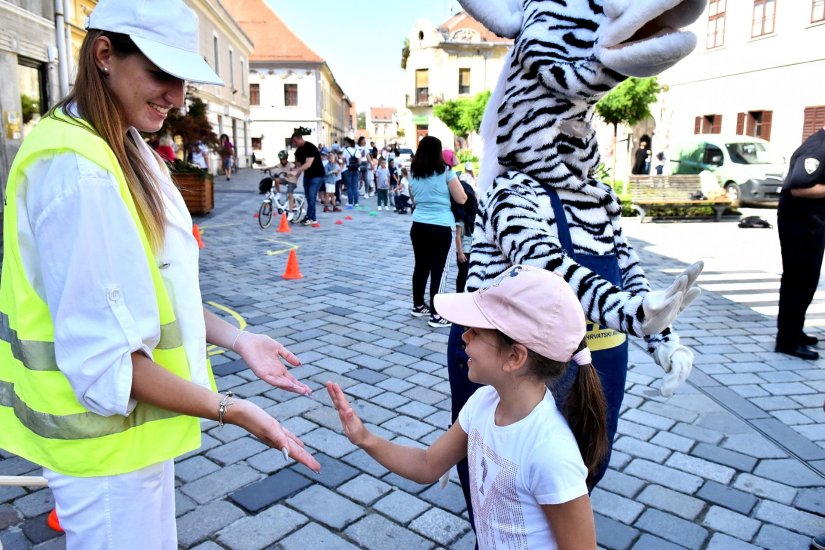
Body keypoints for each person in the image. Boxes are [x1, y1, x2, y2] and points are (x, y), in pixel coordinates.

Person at [0, 1, 320, 548]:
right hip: (102, 452)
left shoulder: (120, 145)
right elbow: (109, 368)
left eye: (182, 79)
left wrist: (238, 338)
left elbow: (156, 290)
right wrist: (233, 410)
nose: (175, 96)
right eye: (159, 73)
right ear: (104, 54)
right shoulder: (82, 169)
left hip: (125, 445)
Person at [327, 265, 607, 550]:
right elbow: (427, 464)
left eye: (475, 332)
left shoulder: (550, 452)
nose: (463, 337)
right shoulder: (483, 403)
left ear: (514, 356)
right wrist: (365, 438)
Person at [776, 127, 825, 360]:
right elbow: (799, 187)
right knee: (798, 281)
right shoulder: (819, 147)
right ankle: (787, 340)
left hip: (810, 225)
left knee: (805, 282)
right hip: (802, 225)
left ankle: (794, 331)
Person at [408, 136, 467, 328]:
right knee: (440, 271)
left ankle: (418, 305)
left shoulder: (413, 172)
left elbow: (414, 198)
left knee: (421, 266)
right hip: (441, 226)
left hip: (418, 225)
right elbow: (462, 198)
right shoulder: (446, 172)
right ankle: (437, 315)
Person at [291, 132, 325, 226]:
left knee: (311, 195)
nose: (294, 144)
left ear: (300, 138)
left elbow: (307, 164)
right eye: (293, 142)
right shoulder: (298, 152)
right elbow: (298, 167)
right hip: (308, 176)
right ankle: (313, 219)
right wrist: (294, 180)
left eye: (295, 141)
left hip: (317, 175)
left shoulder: (311, 147)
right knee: (309, 197)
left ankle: (308, 217)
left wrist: (297, 170)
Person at [453, 181, 478, 292]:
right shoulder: (461, 218)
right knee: (463, 273)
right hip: (464, 251)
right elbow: (457, 237)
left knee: (468, 273)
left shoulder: (471, 216)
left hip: (471, 249)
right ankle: (459, 292)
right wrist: (460, 253)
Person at [266, 150, 300, 220]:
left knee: (290, 195)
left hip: (292, 181)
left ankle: (291, 212)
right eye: (281, 159)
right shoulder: (280, 164)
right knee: (276, 179)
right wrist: (266, 169)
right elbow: (274, 167)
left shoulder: (291, 165)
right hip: (286, 180)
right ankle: (278, 193)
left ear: (286, 158)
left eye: (283, 159)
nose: (282, 161)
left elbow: (295, 171)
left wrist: (290, 172)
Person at [342, 137, 359, 208]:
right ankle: (356, 202)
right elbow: (360, 161)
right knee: (355, 186)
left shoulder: (345, 150)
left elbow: (343, 160)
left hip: (348, 169)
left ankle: (350, 202)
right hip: (356, 169)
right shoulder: (356, 150)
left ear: (348, 143)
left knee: (349, 187)